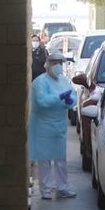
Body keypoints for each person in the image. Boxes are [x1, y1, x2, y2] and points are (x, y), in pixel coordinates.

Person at [29, 50, 77, 200]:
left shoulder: (63, 80)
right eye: (54, 63)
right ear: (47, 65)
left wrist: (71, 101)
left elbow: (73, 95)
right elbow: (42, 101)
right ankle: (46, 190)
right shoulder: (39, 82)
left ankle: (63, 187)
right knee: (44, 159)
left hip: (59, 126)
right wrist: (59, 97)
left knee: (60, 158)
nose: (58, 66)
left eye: (60, 63)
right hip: (43, 125)